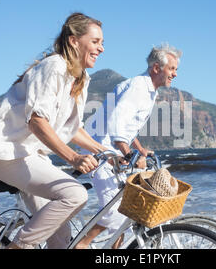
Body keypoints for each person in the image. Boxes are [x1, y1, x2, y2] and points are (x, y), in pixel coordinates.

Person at [0, 13, 109, 249]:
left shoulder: (79, 78)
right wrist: (74, 157)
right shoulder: (54, 67)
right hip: (10, 153)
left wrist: (109, 153)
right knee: (76, 195)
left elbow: (71, 129)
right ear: (74, 41)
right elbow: (36, 121)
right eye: (96, 41)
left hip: (32, 157)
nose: (101, 48)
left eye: (101, 42)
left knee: (61, 240)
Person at [75, 43, 182, 249]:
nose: (175, 74)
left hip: (110, 149)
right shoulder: (138, 88)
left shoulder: (149, 90)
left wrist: (140, 149)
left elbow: (128, 127)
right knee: (115, 211)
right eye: (172, 69)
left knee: (127, 208)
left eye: (176, 69)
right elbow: (117, 122)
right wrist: (127, 151)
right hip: (98, 149)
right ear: (156, 68)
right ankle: (81, 245)